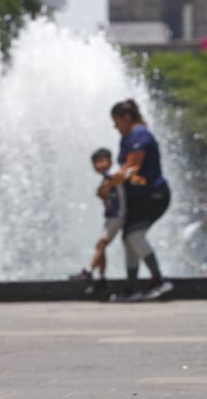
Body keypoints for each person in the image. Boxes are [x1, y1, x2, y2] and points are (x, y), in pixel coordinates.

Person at [107, 99, 173, 301]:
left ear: (126, 118)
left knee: (134, 236)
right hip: (140, 196)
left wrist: (110, 181)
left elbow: (131, 168)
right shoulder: (126, 138)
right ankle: (132, 288)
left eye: (117, 121)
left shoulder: (139, 134)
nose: (115, 126)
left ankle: (159, 281)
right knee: (129, 239)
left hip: (154, 195)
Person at [73, 148, 125, 288]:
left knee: (101, 244)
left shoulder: (113, 174)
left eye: (101, 161)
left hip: (118, 215)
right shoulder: (108, 177)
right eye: (95, 163)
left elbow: (115, 182)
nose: (98, 165)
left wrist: (103, 190)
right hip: (113, 216)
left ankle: (88, 271)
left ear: (110, 160)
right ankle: (101, 278)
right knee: (101, 245)